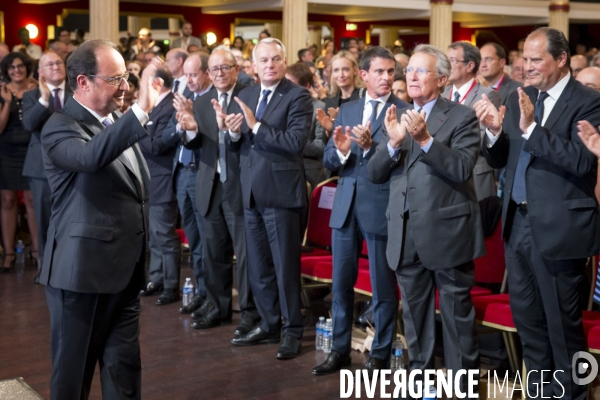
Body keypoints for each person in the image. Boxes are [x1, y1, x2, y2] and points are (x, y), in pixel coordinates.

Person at [474, 27, 600, 400]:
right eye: (524, 59)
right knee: (529, 324)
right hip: (519, 224)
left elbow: (581, 161)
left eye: (535, 60)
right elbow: (502, 159)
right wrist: (495, 133)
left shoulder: (588, 101)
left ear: (561, 60)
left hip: (561, 228)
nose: (526, 67)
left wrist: (530, 129)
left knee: (563, 329)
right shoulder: (520, 97)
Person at [40, 39, 161, 399]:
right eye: (115, 79)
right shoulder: (59, 126)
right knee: (72, 379)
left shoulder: (117, 123)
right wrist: (140, 112)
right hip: (81, 277)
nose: (124, 86)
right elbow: (90, 157)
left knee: (123, 373)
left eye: (126, 77)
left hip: (124, 273)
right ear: (83, 82)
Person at [368, 44, 484, 394]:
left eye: (421, 71)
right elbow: (374, 174)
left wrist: (425, 140)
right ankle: (421, 384)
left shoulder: (461, 116)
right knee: (415, 321)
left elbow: (463, 168)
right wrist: (391, 145)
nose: (411, 77)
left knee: (455, 319)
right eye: (410, 71)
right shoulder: (398, 114)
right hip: (405, 233)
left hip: (447, 232)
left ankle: (462, 387)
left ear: (443, 79)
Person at [313, 46, 407, 376]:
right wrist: (340, 153)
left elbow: (402, 161)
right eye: (379, 72)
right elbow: (328, 157)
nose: (386, 77)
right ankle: (338, 350)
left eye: (391, 71)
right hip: (345, 205)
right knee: (341, 286)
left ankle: (380, 354)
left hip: (381, 204)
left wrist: (371, 147)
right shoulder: (348, 109)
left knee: (383, 288)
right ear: (363, 75)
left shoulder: (404, 111)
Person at [224, 38, 312, 360]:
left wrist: (255, 126)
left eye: (276, 59)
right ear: (254, 66)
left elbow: (295, 141)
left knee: (284, 266)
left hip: (281, 193)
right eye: (264, 61)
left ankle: (292, 330)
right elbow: (238, 145)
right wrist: (233, 132)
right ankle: (269, 322)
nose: (270, 65)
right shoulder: (245, 95)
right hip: (251, 192)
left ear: (284, 63)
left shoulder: (298, 96)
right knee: (259, 266)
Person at [175, 49, 259, 336]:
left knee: (246, 255)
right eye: (215, 69)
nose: (220, 73)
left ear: (236, 70)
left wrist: (234, 133)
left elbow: (255, 141)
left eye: (226, 67)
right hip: (210, 186)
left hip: (241, 186)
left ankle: (249, 313)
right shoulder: (199, 104)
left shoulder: (250, 97)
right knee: (213, 252)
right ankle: (218, 307)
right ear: (208, 74)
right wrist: (188, 131)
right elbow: (197, 144)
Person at [159, 53, 211, 310]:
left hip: (201, 173)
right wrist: (180, 126)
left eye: (193, 74)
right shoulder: (185, 100)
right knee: (193, 239)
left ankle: (208, 295)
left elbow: (208, 139)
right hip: (181, 173)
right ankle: (201, 292)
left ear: (207, 73)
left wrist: (192, 120)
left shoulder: (212, 101)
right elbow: (167, 135)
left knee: (205, 238)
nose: (188, 80)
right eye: (186, 75)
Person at [22, 51, 71, 282]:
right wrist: (43, 99)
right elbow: (30, 124)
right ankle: (46, 265)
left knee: (70, 217)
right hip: (41, 168)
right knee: (43, 219)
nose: (55, 67)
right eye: (49, 64)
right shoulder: (32, 96)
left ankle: (69, 264)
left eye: (58, 62)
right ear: (40, 72)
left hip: (73, 165)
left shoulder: (78, 93)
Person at [138, 66, 181, 306]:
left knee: (164, 235)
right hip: (150, 179)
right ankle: (156, 278)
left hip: (163, 178)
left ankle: (172, 285)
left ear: (156, 83)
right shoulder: (155, 105)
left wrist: (134, 126)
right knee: (154, 235)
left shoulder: (170, 105)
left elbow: (157, 146)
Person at [443, 41, 500, 201]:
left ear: (470, 66)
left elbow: (484, 136)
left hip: (474, 173)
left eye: (453, 60)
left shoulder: (487, 95)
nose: (448, 66)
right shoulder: (442, 94)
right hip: (445, 172)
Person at [0, 52, 38, 272]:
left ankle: (37, 251)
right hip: (6, 152)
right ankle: (9, 253)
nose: (17, 70)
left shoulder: (36, 88)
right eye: (12, 68)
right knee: (7, 201)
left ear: (26, 67)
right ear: (7, 71)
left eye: (20, 66)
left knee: (33, 200)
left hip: (31, 149)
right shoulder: (2, 92)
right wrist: (6, 103)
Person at [285, 62, 327, 189]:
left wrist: (292, 142)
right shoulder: (280, 105)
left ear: (306, 86)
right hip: (283, 169)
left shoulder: (319, 107)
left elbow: (321, 146)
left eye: (291, 85)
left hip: (309, 171)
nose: (286, 89)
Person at [316, 51, 364, 137]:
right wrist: (330, 129)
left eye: (345, 69)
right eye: (336, 70)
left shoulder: (364, 96)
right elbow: (328, 143)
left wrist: (342, 120)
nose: (341, 75)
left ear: (355, 71)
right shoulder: (330, 101)